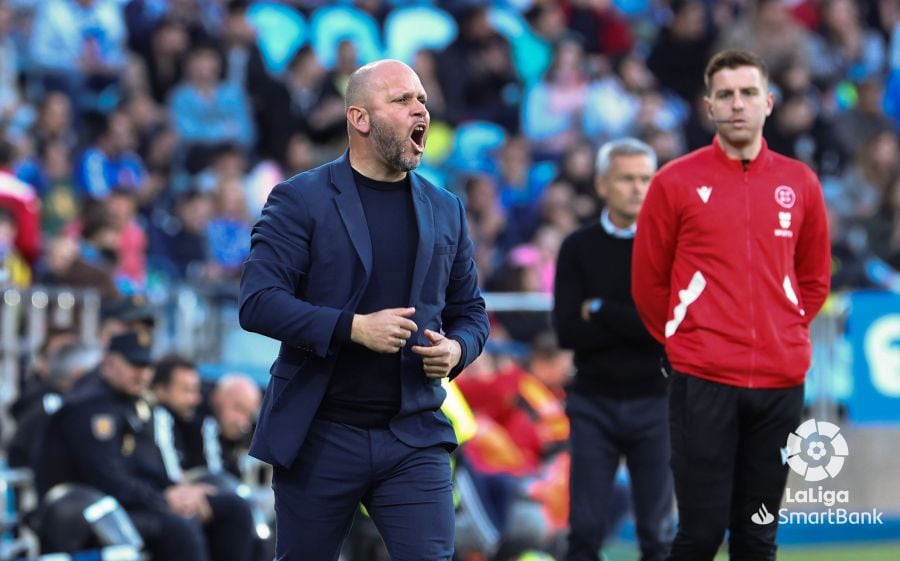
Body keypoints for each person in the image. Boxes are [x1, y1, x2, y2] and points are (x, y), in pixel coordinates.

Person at [239, 58, 490, 561]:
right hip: (321, 430)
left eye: (422, 100)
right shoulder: (299, 199)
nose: (420, 110)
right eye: (402, 100)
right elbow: (258, 303)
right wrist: (352, 328)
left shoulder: (445, 207)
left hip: (414, 433)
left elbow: (471, 311)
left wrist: (458, 349)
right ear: (359, 118)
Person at [631, 50, 831, 561]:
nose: (737, 104)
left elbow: (813, 279)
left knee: (757, 538)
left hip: (780, 383)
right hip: (703, 379)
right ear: (709, 106)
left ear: (768, 102)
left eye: (747, 93)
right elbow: (649, 283)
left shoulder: (800, 182)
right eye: (725, 95)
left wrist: (783, 331)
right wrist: (685, 343)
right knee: (700, 535)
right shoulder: (673, 182)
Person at [553, 138, 673, 561]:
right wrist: (638, 320)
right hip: (593, 402)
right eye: (626, 179)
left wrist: (602, 309)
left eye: (645, 179)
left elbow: (666, 330)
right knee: (584, 531)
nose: (638, 188)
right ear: (602, 185)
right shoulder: (577, 247)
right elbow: (568, 331)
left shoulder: (670, 246)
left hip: (656, 402)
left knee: (657, 534)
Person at [36, 332, 253, 561]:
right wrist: (163, 499)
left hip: (123, 503)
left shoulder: (125, 400)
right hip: (84, 514)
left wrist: (176, 491)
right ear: (108, 364)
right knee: (180, 527)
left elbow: (137, 464)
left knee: (234, 508)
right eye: (134, 366)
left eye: (147, 367)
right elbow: (107, 479)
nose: (143, 375)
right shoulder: (90, 407)